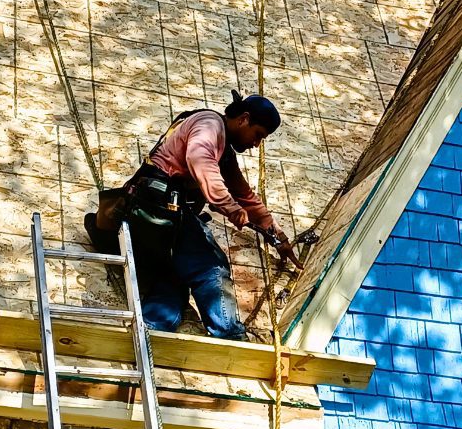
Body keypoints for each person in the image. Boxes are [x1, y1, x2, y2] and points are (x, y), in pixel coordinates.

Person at [86, 92, 301, 340]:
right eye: (258, 135)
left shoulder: (225, 152)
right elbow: (200, 159)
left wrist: (278, 237)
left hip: (154, 215)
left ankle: (153, 329)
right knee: (210, 265)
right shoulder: (210, 125)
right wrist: (229, 207)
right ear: (244, 119)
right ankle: (228, 333)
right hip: (158, 205)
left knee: (174, 276)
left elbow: (246, 197)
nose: (256, 144)